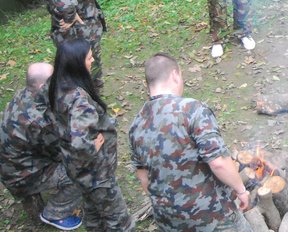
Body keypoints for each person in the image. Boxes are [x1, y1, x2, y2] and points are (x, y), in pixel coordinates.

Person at [129, 53, 251, 231]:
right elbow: (218, 162)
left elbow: (143, 177)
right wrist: (241, 190)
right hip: (212, 216)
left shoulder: (136, 124)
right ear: (175, 75)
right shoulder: (192, 110)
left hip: (168, 220)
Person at [48, 39, 133, 231]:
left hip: (75, 169)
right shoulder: (79, 101)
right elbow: (80, 143)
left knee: (93, 212)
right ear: (76, 63)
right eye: (88, 57)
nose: (93, 59)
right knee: (119, 221)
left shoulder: (58, 87)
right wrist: (92, 146)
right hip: (96, 172)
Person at [0, 63, 83, 230]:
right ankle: (54, 213)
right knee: (83, 171)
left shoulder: (24, 94)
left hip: (13, 162)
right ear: (41, 85)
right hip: (20, 175)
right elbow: (61, 153)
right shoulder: (39, 121)